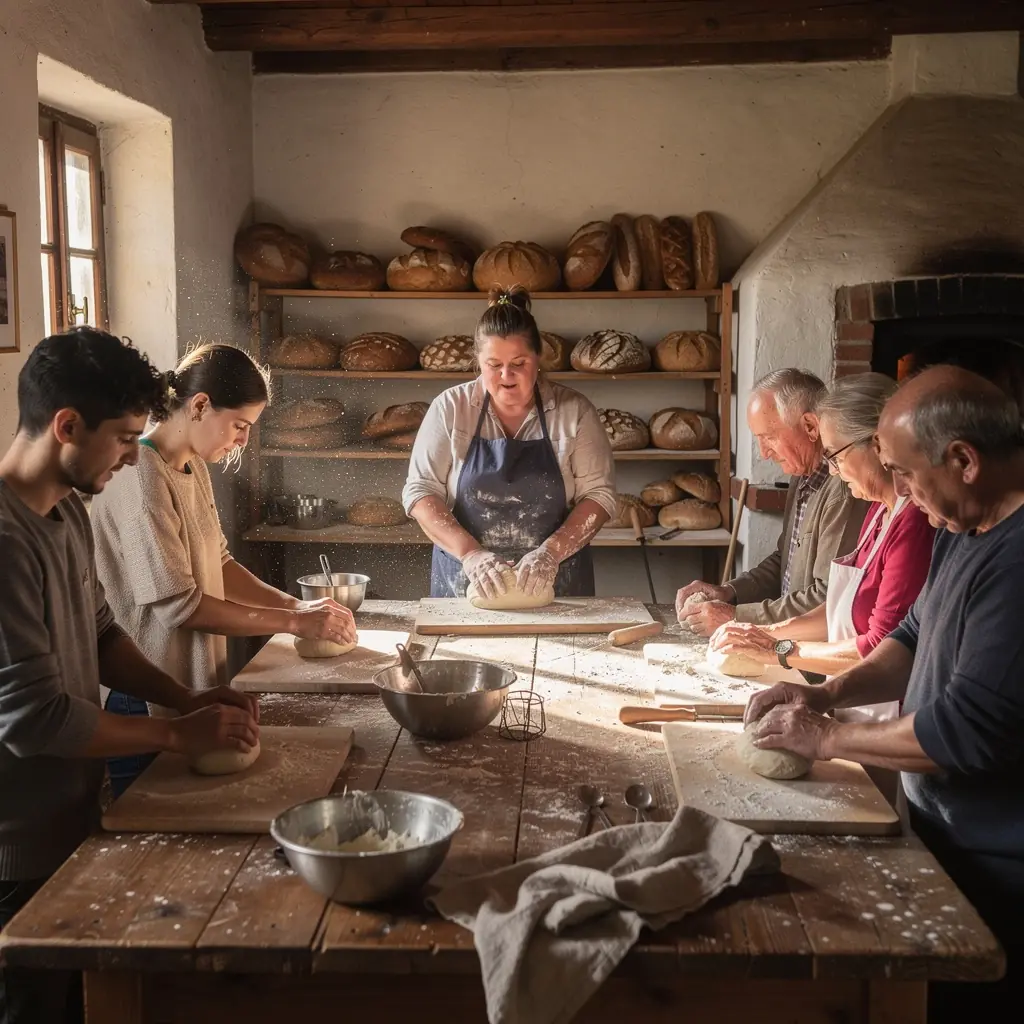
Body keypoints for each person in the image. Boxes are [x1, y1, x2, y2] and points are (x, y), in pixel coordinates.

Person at [744, 366, 1024, 1018]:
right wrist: (825, 696)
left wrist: (828, 738)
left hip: (1002, 864)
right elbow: (909, 636)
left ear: (964, 460)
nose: (899, 491)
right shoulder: (963, 525)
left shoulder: (1016, 561)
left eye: (905, 472)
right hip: (948, 834)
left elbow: (966, 729)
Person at [0, 329, 260, 1023]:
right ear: (66, 426)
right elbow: (35, 719)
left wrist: (187, 698)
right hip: (14, 845)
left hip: (71, 813)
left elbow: (103, 634)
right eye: (121, 438)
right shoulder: (6, 541)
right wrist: (175, 735)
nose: (131, 455)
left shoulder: (65, 510)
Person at [91, 343, 355, 793]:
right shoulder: (141, 476)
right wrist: (293, 622)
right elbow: (181, 607)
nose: (243, 441)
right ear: (199, 406)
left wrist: (296, 606)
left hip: (187, 685)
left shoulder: (191, 464)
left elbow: (221, 563)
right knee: (150, 820)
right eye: (239, 425)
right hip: (142, 694)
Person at [709, 373, 934, 718]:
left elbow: (881, 647)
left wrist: (780, 650)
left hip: (888, 715)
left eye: (835, 456)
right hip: (851, 703)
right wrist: (766, 633)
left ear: (877, 446)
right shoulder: (878, 510)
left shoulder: (913, 523)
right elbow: (837, 609)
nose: (831, 471)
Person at [403, 287, 616, 599]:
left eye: (519, 363)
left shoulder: (574, 411)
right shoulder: (450, 408)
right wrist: (471, 554)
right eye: (494, 364)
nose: (506, 375)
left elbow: (599, 495)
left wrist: (550, 554)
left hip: (556, 583)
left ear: (538, 358)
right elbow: (421, 491)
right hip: (465, 583)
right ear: (478, 361)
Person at [677, 368, 868, 637]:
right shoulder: (802, 476)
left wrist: (735, 616)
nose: (764, 453)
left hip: (814, 648)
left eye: (769, 437)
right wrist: (729, 592)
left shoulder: (844, 491)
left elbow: (827, 597)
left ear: (810, 426)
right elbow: (784, 561)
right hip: (787, 638)